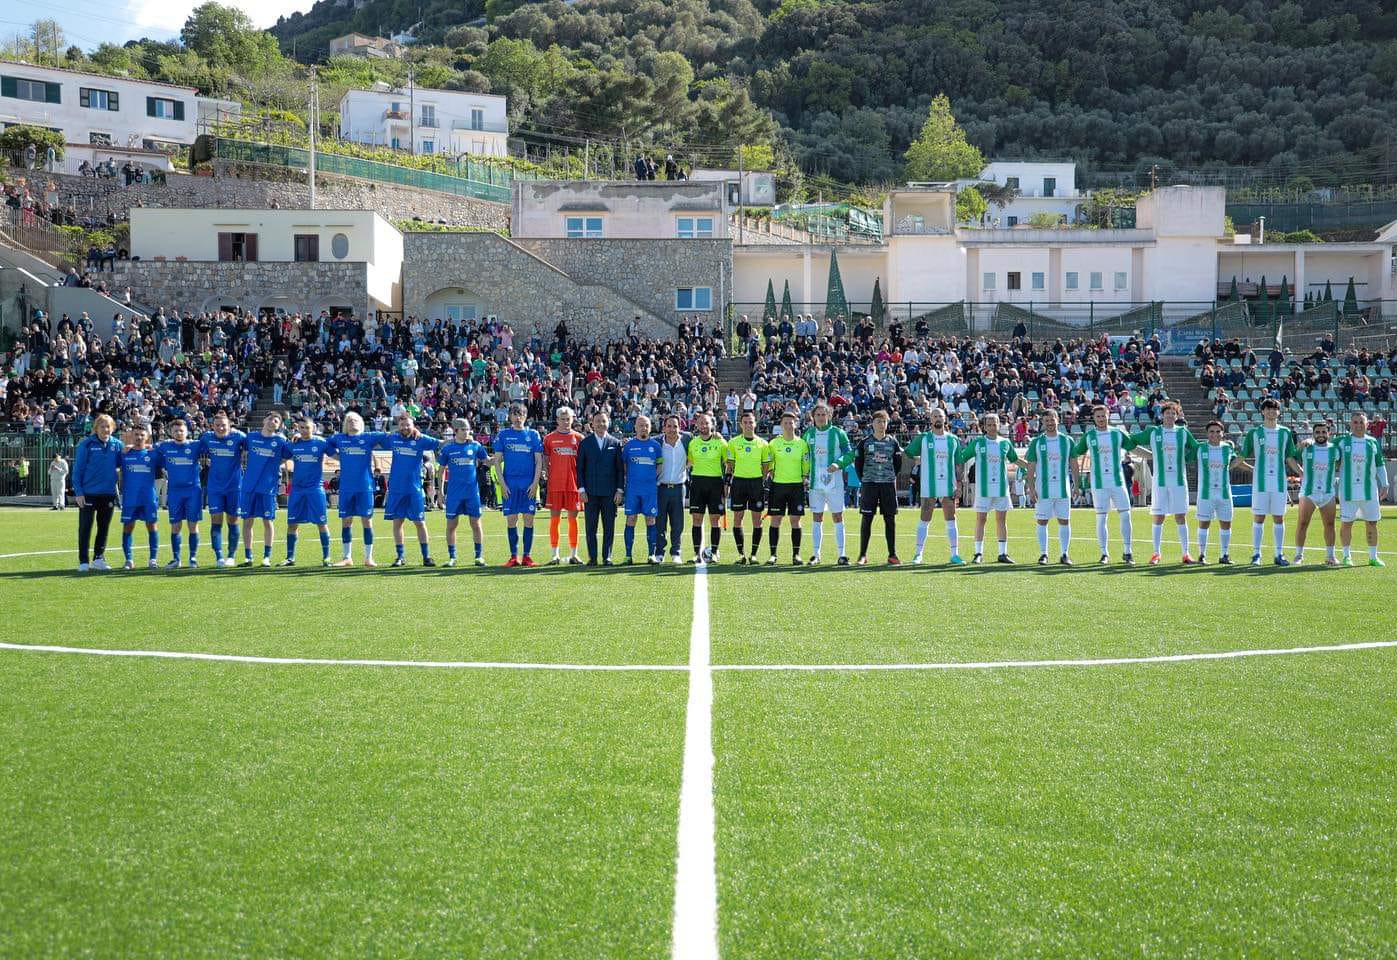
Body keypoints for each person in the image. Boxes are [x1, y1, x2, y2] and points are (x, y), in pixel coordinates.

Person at [1130, 401, 1198, 565]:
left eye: (1173, 413)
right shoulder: (1153, 431)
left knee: (1180, 516)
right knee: (1158, 516)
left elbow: (1195, 448)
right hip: (1160, 483)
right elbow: (1131, 441)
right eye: (1167, 413)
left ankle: (1186, 554)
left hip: (1179, 482)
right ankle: (1156, 554)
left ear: (1177, 415)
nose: (1170, 416)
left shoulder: (1183, 432)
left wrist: (1186, 459)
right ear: (1162, 415)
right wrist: (1148, 455)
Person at [832, 409, 902, 566]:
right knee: (867, 519)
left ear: (887, 424)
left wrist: (889, 476)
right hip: (869, 485)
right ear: (873, 424)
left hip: (887, 485)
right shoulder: (865, 442)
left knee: (890, 520)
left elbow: (898, 465)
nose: (881, 424)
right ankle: (862, 555)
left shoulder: (893, 442)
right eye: (878, 421)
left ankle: (892, 554)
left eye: (884, 421)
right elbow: (858, 464)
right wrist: (864, 479)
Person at [1072, 404, 1140, 565]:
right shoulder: (1089, 436)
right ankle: (1104, 553)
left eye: (1104, 415)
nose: (1101, 419)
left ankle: (1127, 551)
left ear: (1108, 415)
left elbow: (1132, 444)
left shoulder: (1117, 433)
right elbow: (1076, 452)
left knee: (1125, 514)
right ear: (1094, 419)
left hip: (1118, 482)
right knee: (1101, 518)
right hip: (1099, 483)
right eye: (1098, 416)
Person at [326, 412, 391, 567]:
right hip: (347, 487)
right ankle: (347, 557)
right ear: (345, 424)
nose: (352, 422)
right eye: (349, 420)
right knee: (346, 522)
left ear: (361, 423)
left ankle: (368, 558)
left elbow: (387, 437)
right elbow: (325, 444)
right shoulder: (340, 439)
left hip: (365, 487)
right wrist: (337, 457)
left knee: (367, 522)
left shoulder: (368, 437)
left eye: (355, 420)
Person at [1238, 398, 1297, 566]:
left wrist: (1301, 472)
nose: (1271, 411)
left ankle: (1279, 554)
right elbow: (1242, 456)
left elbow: (1290, 457)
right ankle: (1256, 554)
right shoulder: (1254, 433)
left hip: (1279, 482)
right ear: (1262, 411)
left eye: (1275, 409)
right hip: (1260, 483)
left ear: (1279, 412)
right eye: (1268, 408)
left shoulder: (1285, 433)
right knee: (1259, 518)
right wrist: (1227, 466)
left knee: (1279, 518)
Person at [956, 412, 1019, 564]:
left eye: (994, 424)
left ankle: (1002, 553)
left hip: (1001, 489)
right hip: (983, 489)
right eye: (989, 424)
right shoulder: (977, 443)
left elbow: (1015, 459)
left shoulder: (1005, 443)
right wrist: (957, 476)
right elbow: (961, 458)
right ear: (984, 426)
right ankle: (978, 553)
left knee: (1001, 520)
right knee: (981, 519)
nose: (992, 427)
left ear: (999, 425)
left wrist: (1032, 466)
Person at [903, 405, 963, 565]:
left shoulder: (953, 439)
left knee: (951, 518)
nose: (937, 419)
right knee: (925, 517)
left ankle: (954, 554)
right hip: (929, 484)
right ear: (930, 420)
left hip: (948, 485)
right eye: (935, 416)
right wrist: (918, 459)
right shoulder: (923, 438)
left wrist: (960, 485)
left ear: (945, 419)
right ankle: (918, 554)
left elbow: (958, 464)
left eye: (940, 416)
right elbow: (908, 452)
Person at [384, 413, 442, 567]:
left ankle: (426, 556)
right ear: (398, 426)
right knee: (398, 523)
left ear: (413, 425)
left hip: (414, 489)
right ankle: (400, 557)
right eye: (402, 425)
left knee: (420, 522)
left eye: (408, 425)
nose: (405, 427)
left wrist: (463, 439)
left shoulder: (420, 439)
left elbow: (441, 443)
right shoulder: (393, 438)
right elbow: (375, 438)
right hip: (396, 489)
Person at [493, 403, 544, 567]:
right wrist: (502, 484)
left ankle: (527, 556)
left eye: (520, 414)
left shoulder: (533, 434)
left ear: (525, 416)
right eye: (514, 414)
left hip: (528, 484)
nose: (517, 418)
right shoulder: (503, 435)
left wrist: (535, 483)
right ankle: (513, 556)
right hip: (510, 485)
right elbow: (497, 461)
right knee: (511, 521)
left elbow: (538, 462)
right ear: (510, 417)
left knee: (529, 520)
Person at [238, 413, 292, 568]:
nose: (272, 422)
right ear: (263, 420)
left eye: (276, 420)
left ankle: (266, 557)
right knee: (247, 521)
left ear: (279, 425)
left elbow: (289, 454)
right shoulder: (251, 437)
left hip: (268, 488)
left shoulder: (281, 441)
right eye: (270, 419)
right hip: (249, 486)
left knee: (267, 521)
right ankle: (248, 557)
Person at [802, 402, 852, 565]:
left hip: (835, 483)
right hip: (815, 484)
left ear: (829, 416)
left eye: (824, 414)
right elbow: (803, 457)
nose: (821, 417)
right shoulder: (808, 435)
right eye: (818, 415)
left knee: (837, 516)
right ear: (813, 417)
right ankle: (816, 554)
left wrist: (838, 464)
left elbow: (849, 454)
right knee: (817, 517)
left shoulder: (838, 433)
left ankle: (842, 554)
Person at [1334, 411, 1387, 567]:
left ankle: (1373, 557)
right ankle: (1346, 556)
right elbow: (1325, 447)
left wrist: (1385, 484)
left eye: (1361, 422)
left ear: (1367, 424)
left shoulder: (1372, 442)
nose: (1358, 425)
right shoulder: (1342, 441)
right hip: (1348, 491)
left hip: (1370, 491)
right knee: (1347, 523)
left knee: (1372, 523)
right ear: (1350, 424)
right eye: (1355, 422)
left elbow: (1379, 465)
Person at [1023, 407, 1075, 565]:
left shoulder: (1067, 440)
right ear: (1042, 423)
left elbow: (1074, 464)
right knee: (1042, 522)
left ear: (1057, 420)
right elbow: (1030, 468)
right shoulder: (1037, 442)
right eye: (1046, 421)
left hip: (1063, 490)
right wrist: (1031, 489)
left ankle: (1064, 554)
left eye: (1052, 420)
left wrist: (1077, 485)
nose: (1050, 423)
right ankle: (1043, 554)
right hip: (1042, 490)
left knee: (1064, 521)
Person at [281, 417, 333, 567]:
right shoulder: (294, 444)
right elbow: (281, 456)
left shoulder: (321, 443)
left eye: (307, 428)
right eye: (301, 428)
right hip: (297, 489)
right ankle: (290, 557)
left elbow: (336, 454)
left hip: (315, 489)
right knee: (292, 524)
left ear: (314, 428)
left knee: (321, 523)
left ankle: (326, 557)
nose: (304, 431)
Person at [73, 414, 122, 572]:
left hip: (108, 493)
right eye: (102, 426)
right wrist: (79, 492)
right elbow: (78, 470)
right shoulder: (86, 444)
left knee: (103, 527)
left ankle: (98, 558)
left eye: (108, 426)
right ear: (96, 428)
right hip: (88, 493)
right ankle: (83, 561)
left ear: (112, 428)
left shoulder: (117, 445)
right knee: (85, 527)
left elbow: (125, 464)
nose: (105, 429)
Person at [440, 418, 490, 567]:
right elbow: (441, 471)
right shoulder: (448, 448)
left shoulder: (475, 446)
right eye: (463, 429)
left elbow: (487, 460)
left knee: (476, 524)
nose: (467, 432)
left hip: (471, 492)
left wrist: (502, 456)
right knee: (451, 525)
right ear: (455, 431)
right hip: (454, 493)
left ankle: (479, 556)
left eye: (468, 429)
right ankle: (452, 557)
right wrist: (441, 492)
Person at [577, 410, 624, 566]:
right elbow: (580, 469)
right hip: (590, 493)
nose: (601, 424)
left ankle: (607, 557)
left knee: (609, 527)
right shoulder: (585, 443)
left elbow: (620, 470)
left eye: (603, 421)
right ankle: (593, 557)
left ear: (608, 423)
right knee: (591, 527)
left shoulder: (615, 443)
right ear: (592, 424)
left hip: (610, 493)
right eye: (598, 421)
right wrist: (581, 490)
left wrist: (619, 490)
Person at [199, 412, 246, 568]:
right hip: (215, 488)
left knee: (233, 521)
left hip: (234, 488)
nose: (220, 428)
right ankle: (219, 556)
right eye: (217, 425)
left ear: (229, 426)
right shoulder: (207, 438)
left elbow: (256, 443)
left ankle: (231, 556)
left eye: (223, 425)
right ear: (213, 426)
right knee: (216, 521)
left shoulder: (239, 437)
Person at [725, 412, 772, 565]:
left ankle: (753, 554)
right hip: (738, 483)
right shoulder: (733, 443)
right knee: (737, 518)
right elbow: (729, 466)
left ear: (755, 424)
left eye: (750, 422)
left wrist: (763, 482)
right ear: (740, 424)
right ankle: (741, 554)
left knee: (757, 520)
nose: (748, 425)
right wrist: (727, 483)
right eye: (745, 422)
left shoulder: (763, 444)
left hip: (756, 483)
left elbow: (766, 467)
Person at [155, 419, 203, 569]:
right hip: (175, 492)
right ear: (170, 432)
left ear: (187, 431)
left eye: (181, 430)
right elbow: (150, 450)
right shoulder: (164, 447)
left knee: (192, 526)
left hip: (193, 491)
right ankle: (176, 559)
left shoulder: (195, 445)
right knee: (175, 526)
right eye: (175, 430)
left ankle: (193, 558)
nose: (179, 433)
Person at [765, 411, 811, 565]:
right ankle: (773, 555)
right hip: (778, 485)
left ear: (795, 424)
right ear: (781, 425)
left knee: (795, 521)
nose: (788, 425)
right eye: (785, 423)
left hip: (796, 486)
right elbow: (769, 461)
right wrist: (770, 470)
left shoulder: (802, 443)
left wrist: (805, 476)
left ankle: (796, 555)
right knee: (775, 520)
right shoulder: (774, 444)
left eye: (791, 422)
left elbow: (806, 463)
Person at [1292, 419, 1340, 566]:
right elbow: (1290, 457)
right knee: (1302, 523)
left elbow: (1338, 464)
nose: (1321, 434)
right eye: (1317, 432)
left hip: (1327, 493)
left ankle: (1330, 556)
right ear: (1313, 434)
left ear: (1329, 433)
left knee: (1330, 525)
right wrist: (1300, 472)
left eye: (1324, 432)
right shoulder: (1306, 447)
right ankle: (1298, 555)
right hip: (1308, 492)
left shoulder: (1334, 449)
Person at [1192, 420, 1238, 565]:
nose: (1215, 434)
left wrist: (1253, 469)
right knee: (1204, 523)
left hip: (1224, 493)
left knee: (1226, 524)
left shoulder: (1228, 448)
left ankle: (1224, 555)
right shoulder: (1200, 448)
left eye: (1218, 431)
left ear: (1223, 433)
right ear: (1207, 434)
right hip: (1206, 494)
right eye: (1212, 431)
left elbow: (1236, 462)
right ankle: (1202, 555)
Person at [542, 407, 584, 565]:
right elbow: (546, 458)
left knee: (573, 519)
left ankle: (574, 554)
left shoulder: (579, 438)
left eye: (568, 419)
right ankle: (555, 555)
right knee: (555, 519)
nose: (566, 422)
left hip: (573, 484)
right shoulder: (549, 438)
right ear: (557, 420)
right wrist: (546, 471)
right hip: (556, 484)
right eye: (563, 419)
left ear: (572, 419)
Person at [118, 423, 161, 570]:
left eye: (142, 435)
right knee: (128, 527)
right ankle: (129, 560)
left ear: (147, 436)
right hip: (130, 498)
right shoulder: (124, 454)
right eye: (136, 434)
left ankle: (153, 559)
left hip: (148, 498)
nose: (139, 437)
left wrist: (154, 447)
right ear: (131, 436)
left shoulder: (153, 454)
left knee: (152, 526)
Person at [621, 414, 663, 564]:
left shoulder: (656, 446)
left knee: (650, 519)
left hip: (650, 490)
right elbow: (624, 466)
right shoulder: (629, 446)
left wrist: (652, 478)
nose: (643, 428)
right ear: (635, 427)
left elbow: (660, 465)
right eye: (640, 425)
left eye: (646, 425)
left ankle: (651, 555)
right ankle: (628, 555)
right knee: (631, 519)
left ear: (650, 427)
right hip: (633, 489)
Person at [686, 413, 727, 563]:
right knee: (697, 519)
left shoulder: (721, 443)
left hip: (715, 483)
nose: (703, 426)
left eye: (706, 423)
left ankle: (714, 553)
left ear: (712, 425)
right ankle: (697, 553)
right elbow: (689, 462)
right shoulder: (693, 443)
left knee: (715, 519)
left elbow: (729, 463)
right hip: (697, 483)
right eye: (701, 423)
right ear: (697, 425)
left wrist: (727, 483)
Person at [655, 415, 691, 564]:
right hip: (660, 488)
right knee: (660, 522)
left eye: (675, 426)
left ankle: (676, 552)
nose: (672, 429)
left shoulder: (687, 440)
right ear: (664, 428)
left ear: (679, 427)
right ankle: (659, 552)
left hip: (678, 488)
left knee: (677, 523)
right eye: (669, 426)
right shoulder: (657, 442)